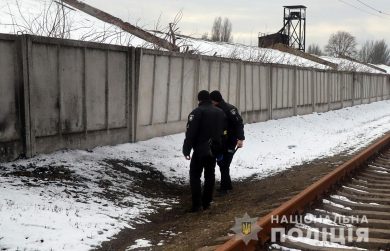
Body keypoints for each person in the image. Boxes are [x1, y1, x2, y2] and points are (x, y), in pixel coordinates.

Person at [183, 90, 226, 212]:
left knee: (195, 175)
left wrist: (186, 150)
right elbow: (223, 132)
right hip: (214, 149)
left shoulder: (197, 112)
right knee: (210, 175)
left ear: (199, 100)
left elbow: (191, 133)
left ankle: (197, 204)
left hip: (200, 149)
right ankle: (207, 201)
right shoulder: (220, 112)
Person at [210, 90, 245, 195]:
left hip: (230, 141)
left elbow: (239, 123)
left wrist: (240, 139)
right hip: (221, 141)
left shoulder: (230, 109)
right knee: (222, 163)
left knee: (224, 164)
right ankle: (227, 185)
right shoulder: (216, 109)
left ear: (214, 101)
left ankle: (225, 188)